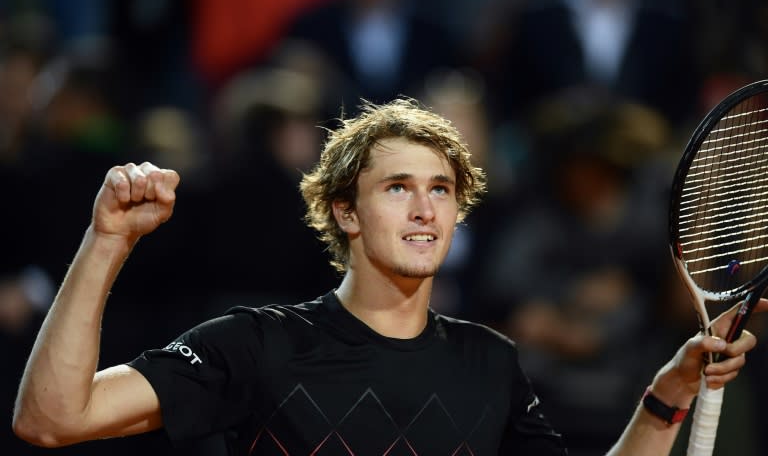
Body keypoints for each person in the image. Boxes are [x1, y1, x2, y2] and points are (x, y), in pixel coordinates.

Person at [11, 98, 767, 455]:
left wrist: (665, 398)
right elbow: (52, 419)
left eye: (440, 189)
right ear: (345, 213)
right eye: (397, 186)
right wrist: (105, 242)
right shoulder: (256, 343)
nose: (424, 209)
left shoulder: (490, 363)